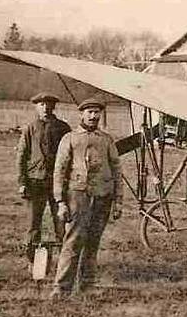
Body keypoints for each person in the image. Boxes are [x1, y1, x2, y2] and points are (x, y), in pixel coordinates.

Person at [50, 98, 122, 298]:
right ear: (81, 114)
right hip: (77, 197)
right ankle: (61, 288)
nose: (93, 116)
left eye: (97, 112)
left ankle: (87, 285)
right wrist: (60, 202)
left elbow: (116, 170)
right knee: (72, 242)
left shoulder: (106, 140)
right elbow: (59, 171)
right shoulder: (70, 139)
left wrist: (118, 201)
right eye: (89, 112)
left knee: (93, 242)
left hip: (102, 197)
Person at [16, 92, 71, 262]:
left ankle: (65, 261)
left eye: (49, 105)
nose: (45, 108)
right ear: (36, 107)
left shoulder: (63, 128)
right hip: (35, 181)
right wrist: (22, 182)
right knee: (33, 223)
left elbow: (70, 155)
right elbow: (21, 156)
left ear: (54, 107)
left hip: (58, 183)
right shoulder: (30, 128)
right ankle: (32, 261)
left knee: (61, 221)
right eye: (41, 105)